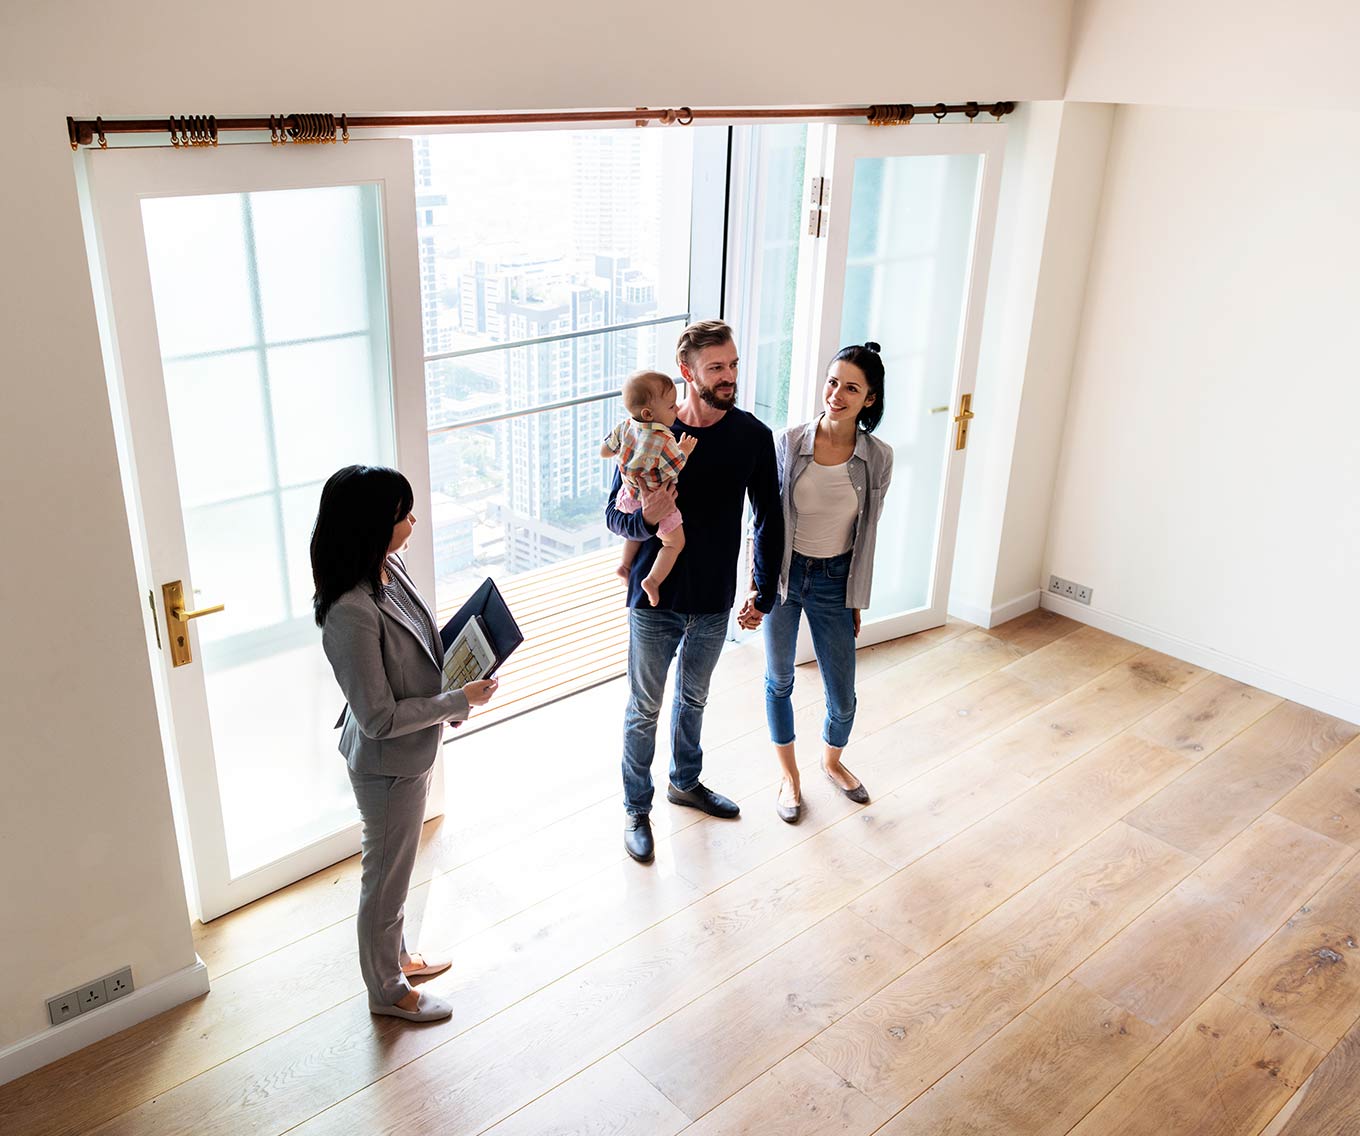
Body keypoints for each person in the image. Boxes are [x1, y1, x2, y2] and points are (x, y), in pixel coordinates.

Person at [311, 465, 498, 1022]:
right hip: (387, 764)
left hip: (410, 752)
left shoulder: (385, 567)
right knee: (386, 879)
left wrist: (455, 690)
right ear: (373, 525)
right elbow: (377, 718)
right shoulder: (349, 611)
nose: (413, 520)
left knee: (396, 869)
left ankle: (396, 958)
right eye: (403, 514)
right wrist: (455, 702)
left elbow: (420, 647)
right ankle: (388, 991)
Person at [606, 319, 784, 863]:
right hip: (654, 601)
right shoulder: (646, 433)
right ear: (687, 373)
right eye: (716, 368)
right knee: (644, 707)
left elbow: (768, 519)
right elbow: (616, 516)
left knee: (695, 698)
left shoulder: (752, 436)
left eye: (732, 365)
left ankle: (686, 781)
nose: (729, 376)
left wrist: (763, 588)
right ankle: (637, 808)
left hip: (712, 600)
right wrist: (647, 521)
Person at [764, 343, 893, 824]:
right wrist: (759, 587)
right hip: (785, 574)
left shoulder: (878, 458)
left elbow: (868, 532)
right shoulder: (789, 441)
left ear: (870, 400)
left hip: (835, 580)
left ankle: (831, 762)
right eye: (833, 381)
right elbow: (766, 523)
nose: (836, 394)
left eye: (851, 388)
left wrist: (856, 597)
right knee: (780, 681)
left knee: (842, 695)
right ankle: (789, 777)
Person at [600, 369, 698, 606]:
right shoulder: (665, 440)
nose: (676, 410)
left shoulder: (624, 427)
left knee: (636, 533)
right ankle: (652, 581)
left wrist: (622, 455)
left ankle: (624, 566)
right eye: (671, 407)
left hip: (628, 496)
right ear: (649, 413)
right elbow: (675, 467)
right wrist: (684, 449)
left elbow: (604, 451)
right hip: (657, 500)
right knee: (674, 543)